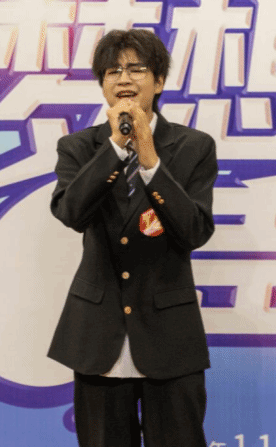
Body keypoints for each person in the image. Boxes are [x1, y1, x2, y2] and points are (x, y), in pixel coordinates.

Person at [48, 29, 218, 447]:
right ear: (103, 84)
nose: (123, 79)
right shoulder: (78, 147)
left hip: (170, 333)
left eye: (136, 69)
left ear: (158, 82)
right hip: (97, 334)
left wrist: (149, 157)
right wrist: (114, 147)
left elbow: (194, 230)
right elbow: (71, 212)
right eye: (112, 71)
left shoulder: (193, 146)